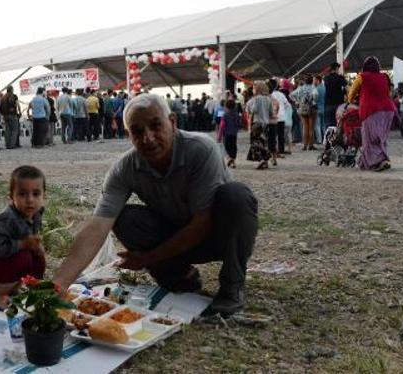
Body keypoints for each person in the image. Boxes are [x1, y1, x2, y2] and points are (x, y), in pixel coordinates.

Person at [53, 93, 257, 316]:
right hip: (175, 236)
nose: (148, 138)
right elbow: (98, 226)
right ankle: (179, 276)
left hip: (216, 236)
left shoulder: (201, 149)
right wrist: (58, 285)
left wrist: (148, 259)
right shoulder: (124, 168)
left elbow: (203, 224)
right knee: (123, 218)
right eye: (137, 131)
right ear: (129, 135)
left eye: (155, 126)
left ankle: (232, 288)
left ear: (173, 122)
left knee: (236, 196)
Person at [0, 165, 47, 309]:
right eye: (22, 194)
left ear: (44, 196)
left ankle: (33, 290)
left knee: (38, 254)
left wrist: (36, 248)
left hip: (3, 264)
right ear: (11, 196)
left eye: (36, 194)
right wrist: (23, 244)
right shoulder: (7, 219)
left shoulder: (37, 213)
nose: (30, 200)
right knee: (24, 257)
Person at [348, 56, 397, 171]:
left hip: (371, 111)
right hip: (388, 111)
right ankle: (368, 162)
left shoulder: (362, 77)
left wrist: (350, 101)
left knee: (370, 138)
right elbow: (387, 92)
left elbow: (351, 93)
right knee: (381, 137)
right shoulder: (384, 77)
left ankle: (377, 161)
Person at [246, 81, 273, 170]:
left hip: (257, 123)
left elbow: (254, 110)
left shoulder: (256, 99)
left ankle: (261, 159)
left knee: (255, 143)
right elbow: (271, 113)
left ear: (257, 89)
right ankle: (265, 162)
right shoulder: (269, 99)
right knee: (263, 142)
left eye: (254, 88)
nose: (253, 90)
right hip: (266, 123)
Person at [291, 75, 318, 150]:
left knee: (304, 127)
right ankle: (311, 145)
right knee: (311, 128)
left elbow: (291, 95)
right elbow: (315, 95)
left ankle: (304, 145)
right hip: (311, 109)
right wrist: (313, 101)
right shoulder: (313, 88)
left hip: (302, 109)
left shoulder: (300, 88)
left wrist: (297, 102)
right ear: (311, 80)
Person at [323, 63, 347, 128]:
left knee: (329, 125)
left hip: (328, 104)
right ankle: (338, 138)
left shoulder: (326, 78)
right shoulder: (340, 77)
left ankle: (329, 137)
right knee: (339, 124)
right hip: (339, 104)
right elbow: (346, 88)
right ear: (336, 69)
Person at [218, 99, 240, 168]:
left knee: (226, 147)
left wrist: (219, 136)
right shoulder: (236, 114)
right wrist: (236, 130)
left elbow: (222, 126)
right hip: (234, 134)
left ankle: (229, 159)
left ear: (226, 107)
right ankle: (233, 162)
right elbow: (239, 124)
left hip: (226, 134)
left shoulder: (225, 115)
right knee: (233, 147)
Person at [269, 79, 290, 157]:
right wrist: (283, 110)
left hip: (273, 118)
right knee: (281, 135)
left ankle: (273, 151)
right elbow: (287, 104)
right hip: (282, 117)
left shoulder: (270, 95)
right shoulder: (282, 95)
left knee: (273, 136)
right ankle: (281, 150)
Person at [314, 75, 326, 143]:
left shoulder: (316, 89)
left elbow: (314, 100)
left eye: (314, 80)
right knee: (324, 125)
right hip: (324, 108)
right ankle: (325, 140)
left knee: (317, 125)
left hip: (317, 109)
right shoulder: (325, 88)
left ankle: (319, 140)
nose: (314, 81)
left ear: (318, 80)